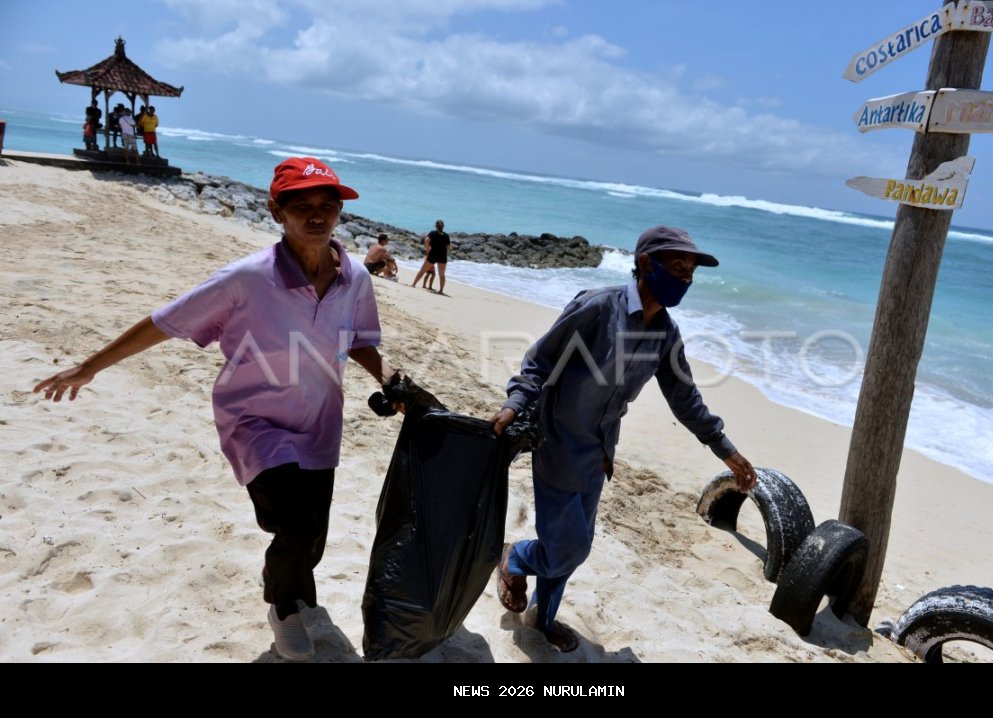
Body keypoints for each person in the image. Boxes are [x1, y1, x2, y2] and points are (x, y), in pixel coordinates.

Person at [32, 156, 406, 662]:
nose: (316, 216)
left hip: (321, 422)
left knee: (311, 535)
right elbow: (163, 323)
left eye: (327, 205)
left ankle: (285, 576)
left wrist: (387, 377)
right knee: (294, 526)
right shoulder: (247, 278)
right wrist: (90, 367)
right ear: (277, 212)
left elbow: (359, 341)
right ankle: (284, 608)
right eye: (301, 206)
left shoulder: (356, 278)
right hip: (253, 420)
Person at [489, 225, 757, 652]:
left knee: (575, 547)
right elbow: (539, 363)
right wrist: (514, 404)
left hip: (599, 456)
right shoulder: (596, 308)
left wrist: (726, 450)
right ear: (647, 263)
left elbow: (685, 398)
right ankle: (515, 558)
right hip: (557, 444)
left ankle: (543, 617)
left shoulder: (665, 333)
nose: (686, 277)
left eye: (691, 270)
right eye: (677, 266)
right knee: (567, 549)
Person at [410, 219, 450, 294]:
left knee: (422, 270)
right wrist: (445, 254)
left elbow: (426, 240)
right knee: (442, 274)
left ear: (436, 226)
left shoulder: (432, 233)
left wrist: (427, 249)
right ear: (443, 226)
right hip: (442, 256)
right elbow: (448, 247)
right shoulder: (446, 236)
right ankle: (441, 290)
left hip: (433, 254)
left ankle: (413, 284)